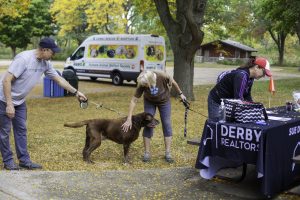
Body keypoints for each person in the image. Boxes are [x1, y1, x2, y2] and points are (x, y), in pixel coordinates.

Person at [0, 37, 87, 170]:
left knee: (21, 130)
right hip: (4, 99)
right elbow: (6, 80)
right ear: (44, 50)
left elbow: (58, 79)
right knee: (5, 132)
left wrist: (76, 92)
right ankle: (8, 162)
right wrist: (9, 104)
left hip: (20, 101)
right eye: (53, 52)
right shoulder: (24, 59)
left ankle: (24, 160)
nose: (54, 55)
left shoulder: (45, 63)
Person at [121, 70, 186, 163]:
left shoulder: (162, 76)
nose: (144, 87)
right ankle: (147, 153)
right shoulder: (142, 83)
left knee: (166, 123)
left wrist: (181, 94)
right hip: (149, 102)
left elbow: (174, 82)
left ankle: (168, 152)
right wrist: (129, 119)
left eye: (145, 85)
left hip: (164, 101)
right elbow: (134, 100)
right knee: (148, 124)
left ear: (151, 81)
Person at [207, 56, 272, 122]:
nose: (263, 76)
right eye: (264, 72)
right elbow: (238, 98)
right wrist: (250, 110)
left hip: (227, 102)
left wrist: (253, 107)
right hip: (216, 100)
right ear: (257, 67)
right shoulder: (242, 75)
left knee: (226, 123)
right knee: (216, 124)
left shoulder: (250, 78)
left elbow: (247, 95)